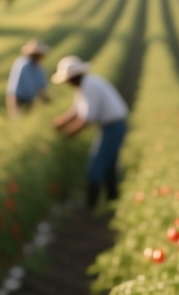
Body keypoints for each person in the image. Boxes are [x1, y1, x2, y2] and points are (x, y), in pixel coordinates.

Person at [50, 55, 130, 208]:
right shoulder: (84, 85)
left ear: (73, 77)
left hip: (113, 126)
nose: (67, 83)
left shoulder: (89, 86)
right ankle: (112, 201)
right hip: (111, 126)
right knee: (109, 164)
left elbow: (87, 118)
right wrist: (61, 122)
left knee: (97, 165)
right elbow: (76, 111)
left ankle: (90, 205)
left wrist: (69, 134)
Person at [7, 39, 50, 116]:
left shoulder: (38, 68)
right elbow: (15, 84)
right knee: (19, 119)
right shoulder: (23, 64)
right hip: (18, 98)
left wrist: (46, 98)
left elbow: (41, 86)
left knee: (27, 117)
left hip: (29, 98)